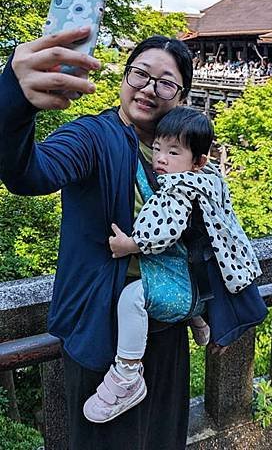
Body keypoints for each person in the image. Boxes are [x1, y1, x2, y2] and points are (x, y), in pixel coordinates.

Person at [0, 30, 198, 450]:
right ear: (124, 78)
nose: (148, 88)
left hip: (164, 331)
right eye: (139, 74)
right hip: (101, 334)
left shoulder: (183, 158)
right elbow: (29, 173)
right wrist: (14, 101)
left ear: (180, 97)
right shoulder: (93, 137)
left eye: (165, 82)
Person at [83, 106, 262, 424]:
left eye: (173, 152)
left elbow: (162, 232)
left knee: (132, 298)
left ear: (198, 161)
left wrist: (129, 245)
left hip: (182, 287)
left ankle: (127, 375)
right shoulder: (210, 180)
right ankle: (199, 320)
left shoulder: (179, 190)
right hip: (204, 278)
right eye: (157, 149)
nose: (160, 159)